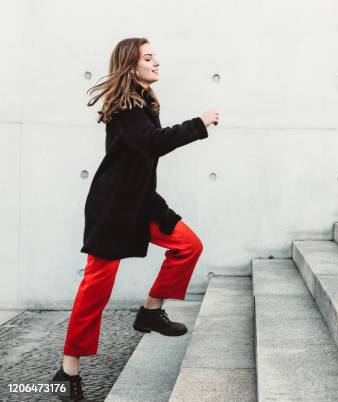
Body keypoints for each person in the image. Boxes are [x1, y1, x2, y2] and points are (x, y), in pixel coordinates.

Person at [50, 37, 220, 401]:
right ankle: (68, 370)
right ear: (131, 67)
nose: (156, 61)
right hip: (113, 207)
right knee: (96, 288)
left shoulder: (145, 101)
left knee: (188, 246)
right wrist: (199, 123)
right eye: (148, 57)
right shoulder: (125, 107)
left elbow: (148, 147)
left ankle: (150, 311)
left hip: (142, 201)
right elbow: (152, 142)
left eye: (154, 55)